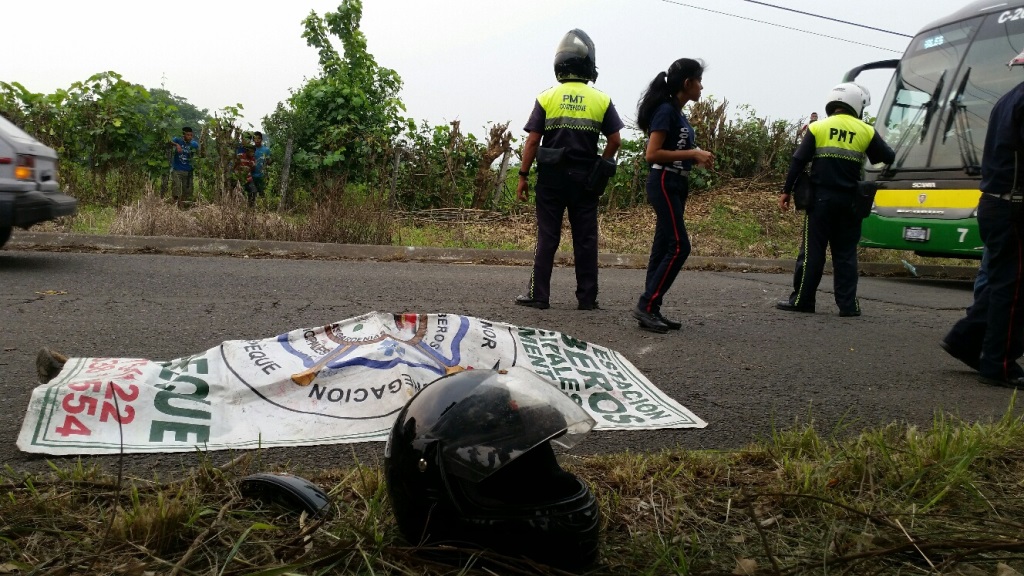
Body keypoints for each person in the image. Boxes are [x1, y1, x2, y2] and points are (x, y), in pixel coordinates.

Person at [514, 29, 623, 311]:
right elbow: (615, 141)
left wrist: (523, 176)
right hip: (585, 180)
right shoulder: (601, 99)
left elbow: (533, 140)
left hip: (551, 180)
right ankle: (587, 299)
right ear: (588, 65)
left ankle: (539, 296)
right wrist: (601, 166)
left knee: (547, 236)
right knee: (585, 239)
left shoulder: (547, 97)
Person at [941, 50, 1024, 388]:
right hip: (1014, 207)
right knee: (1014, 288)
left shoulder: (1007, 99)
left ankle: (965, 339)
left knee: (1002, 282)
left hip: (995, 203)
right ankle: (999, 364)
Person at [776, 83, 895, 317]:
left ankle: (803, 301)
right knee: (846, 255)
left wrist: (786, 191)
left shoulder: (818, 127)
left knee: (812, 253)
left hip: (820, 201)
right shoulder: (866, 130)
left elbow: (798, 161)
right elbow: (887, 156)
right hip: (850, 202)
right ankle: (848, 306)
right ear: (857, 104)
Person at [630, 59, 715, 333]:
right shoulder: (666, 111)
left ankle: (651, 309)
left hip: (677, 182)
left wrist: (696, 156)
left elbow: (674, 147)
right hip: (664, 180)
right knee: (680, 246)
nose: (702, 87)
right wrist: (692, 153)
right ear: (687, 83)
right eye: (699, 81)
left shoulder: (677, 112)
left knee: (664, 245)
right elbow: (651, 154)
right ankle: (646, 304)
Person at [170, 127, 200, 208]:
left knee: (188, 191)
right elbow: (169, 141)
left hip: (188, 171)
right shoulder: (177, 140)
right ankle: (174, 207)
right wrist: (176, 145)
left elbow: (200, 154)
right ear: (183, 135)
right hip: (177, 169)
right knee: (176, 188)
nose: (190, 137)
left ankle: (183, 207)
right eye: (188, 135)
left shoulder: (194, 144)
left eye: (191, 135)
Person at [252, 131, 271, 202]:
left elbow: (269, 162)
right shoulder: (250, 149)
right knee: (251, 196)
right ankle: (251, 212)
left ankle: (264, 211)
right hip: (251, 176)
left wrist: (268, 161)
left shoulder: (266, 150)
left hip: (262, 176)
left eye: (258, 138)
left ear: (261, 139)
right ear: (253, 140)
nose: (257, 140)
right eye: (255, 138)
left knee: (262, 195)